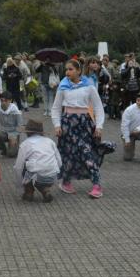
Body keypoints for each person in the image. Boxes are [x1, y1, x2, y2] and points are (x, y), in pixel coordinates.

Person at [51, 58, 108, 199]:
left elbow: (98, 108)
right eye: (66, 69)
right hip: (67, 124)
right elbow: (56, 108)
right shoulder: (63, 86)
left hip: (84, 124)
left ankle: (96, 185)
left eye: (70, 69)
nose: (67, 72)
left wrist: (99, 126)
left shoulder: (89, 86)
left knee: (86, 152)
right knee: (67, 154)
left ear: (78, 71)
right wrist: (57, 125)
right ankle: (66, 181)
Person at [13, 119, 61, 203]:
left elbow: (18, 167)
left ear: (27, 132)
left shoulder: (25, 144)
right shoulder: (50, 141)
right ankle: (45, 190)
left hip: (37, 175)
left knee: (25, 166)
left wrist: (19, 183)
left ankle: (29, 192)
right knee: (40, 173)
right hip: (52, 176)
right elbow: (59, 161)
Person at [0, 90, 23, 158]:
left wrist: (14, 136)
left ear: (10, 100)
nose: (3, 103)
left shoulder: (15, 110)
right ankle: (3, 149)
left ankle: (14, 145)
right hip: (4, 132)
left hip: (14, 133)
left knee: (11, 154)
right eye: (2, 100)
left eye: (6, 101)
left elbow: (20, 127)